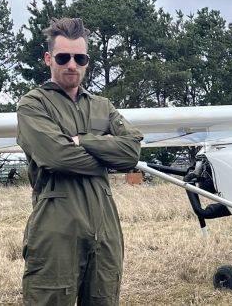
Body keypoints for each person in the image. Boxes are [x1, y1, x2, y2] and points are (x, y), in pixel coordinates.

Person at [16, 17, 143, 305]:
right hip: (57, 228)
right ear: (49, 58)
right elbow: (57, 157)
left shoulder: (102, 105)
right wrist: (107, 156)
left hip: (106, 230)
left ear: (86, 61)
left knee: (104, 298)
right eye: (63, 57)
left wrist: (82, 141)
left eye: (79, 57)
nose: (71, 64)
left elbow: (131, 152)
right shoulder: (33, 104)